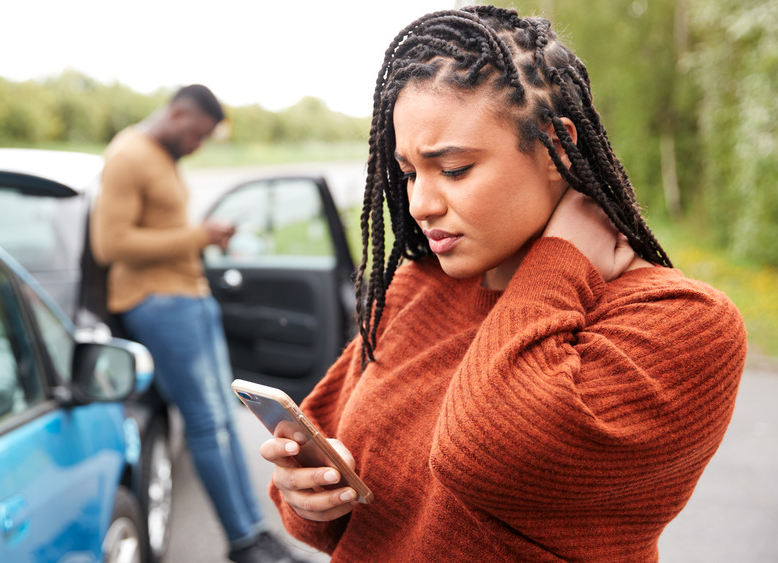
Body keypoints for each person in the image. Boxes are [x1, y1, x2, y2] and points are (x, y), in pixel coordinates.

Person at [260, 6, 747, 561]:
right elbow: (330, 497)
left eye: (455, 169)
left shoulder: (683, 322)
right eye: (410, 172)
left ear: (555, 147)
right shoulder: (417, 288)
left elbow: (485, 455)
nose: (420, 204)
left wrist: (558, 262)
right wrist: (310, 500)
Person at [89, 84, 306, 563]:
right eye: (196, 134)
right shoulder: (129, 154)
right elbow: (110, 243)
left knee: (225, 422)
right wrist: (197, 235)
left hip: (189, 297)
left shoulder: (162, 157)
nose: (197, 145)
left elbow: (161, 231)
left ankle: (258, 534)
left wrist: (201, 240)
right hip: (158, 303)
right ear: (179, 112)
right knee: (208, 423)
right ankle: (244, 543)